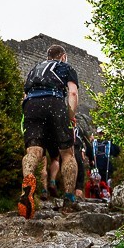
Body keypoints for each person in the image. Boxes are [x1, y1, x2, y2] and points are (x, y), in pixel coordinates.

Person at [17, 44, 79, 218]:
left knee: (34, 151)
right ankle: (69, 200)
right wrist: (70, 115)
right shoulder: (65, 67)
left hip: (31, 104)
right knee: (67, 153)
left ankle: (27, 189)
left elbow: (24, 95)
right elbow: (72, 94)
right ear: (63, 57)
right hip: (55, 101)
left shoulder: (34, 70)